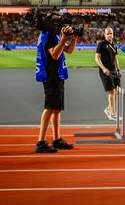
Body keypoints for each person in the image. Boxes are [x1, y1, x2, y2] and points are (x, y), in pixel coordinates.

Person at [34, 21, 77, 153]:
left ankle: (56, 139)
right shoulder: (47, 35)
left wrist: (74, 38)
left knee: (56, 108)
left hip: (58, 74)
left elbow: (68, 50)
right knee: (50, 107)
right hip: (51, 75)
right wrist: (64, 37)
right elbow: (54, 54)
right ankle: (41, 142)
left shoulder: (53, 35)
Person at [96, 27, 122, 121]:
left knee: (117, 92)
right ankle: (112, 113)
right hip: (105, 72)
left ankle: (108, 109)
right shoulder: (101, 44)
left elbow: (115, 58)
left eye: (110, 33)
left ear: (113, 34)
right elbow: (97, 58)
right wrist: (103, 69)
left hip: (113, 71)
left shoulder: (114, 45)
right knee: (112, 92)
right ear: (104, 34)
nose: (109, 35)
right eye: (107, 33)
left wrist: (118, 70)